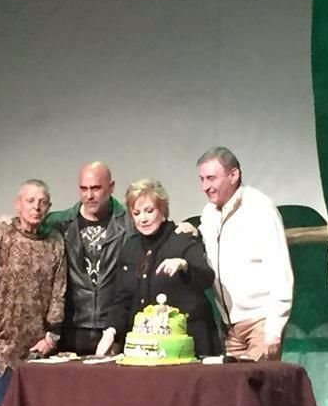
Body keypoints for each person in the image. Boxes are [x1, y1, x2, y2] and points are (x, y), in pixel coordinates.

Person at [0, 180, 67, 406]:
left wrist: (52, 336)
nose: (36, 207)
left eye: (42, 202)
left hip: (35, 346)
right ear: (17, 204)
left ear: (49, 206)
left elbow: (58, 290)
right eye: (30, 201)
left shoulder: (55, 241)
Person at [96, 179, 219, 357]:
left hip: (187, 347)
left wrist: (184, 265)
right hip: (144, 348)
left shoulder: (181, 238)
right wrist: (111, 330)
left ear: (162, 209)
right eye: (136, 213)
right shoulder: (130, 247)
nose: (143, 219)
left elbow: (206, 277)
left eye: (149, 211)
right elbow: (122, 298)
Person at [196, 147, 294, 360]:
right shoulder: (209, 213)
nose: (206, 186)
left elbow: (280, 270)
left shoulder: (259, 208)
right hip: (229, 327)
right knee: (234, 391)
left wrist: (274, 329)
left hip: (260, 324)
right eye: (202, 179)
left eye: (211, 178)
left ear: (234, 175)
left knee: (259, 389)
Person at [44, 162, 133, 355]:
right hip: (73, 327)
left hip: (114, 327)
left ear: (111, 187)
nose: (89, 195)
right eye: (84, 189)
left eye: (96, 188)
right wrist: (9, 223)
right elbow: (27, 230)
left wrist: (187, 229)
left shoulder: (130, 222)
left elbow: (159, 235)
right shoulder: (58, 223)